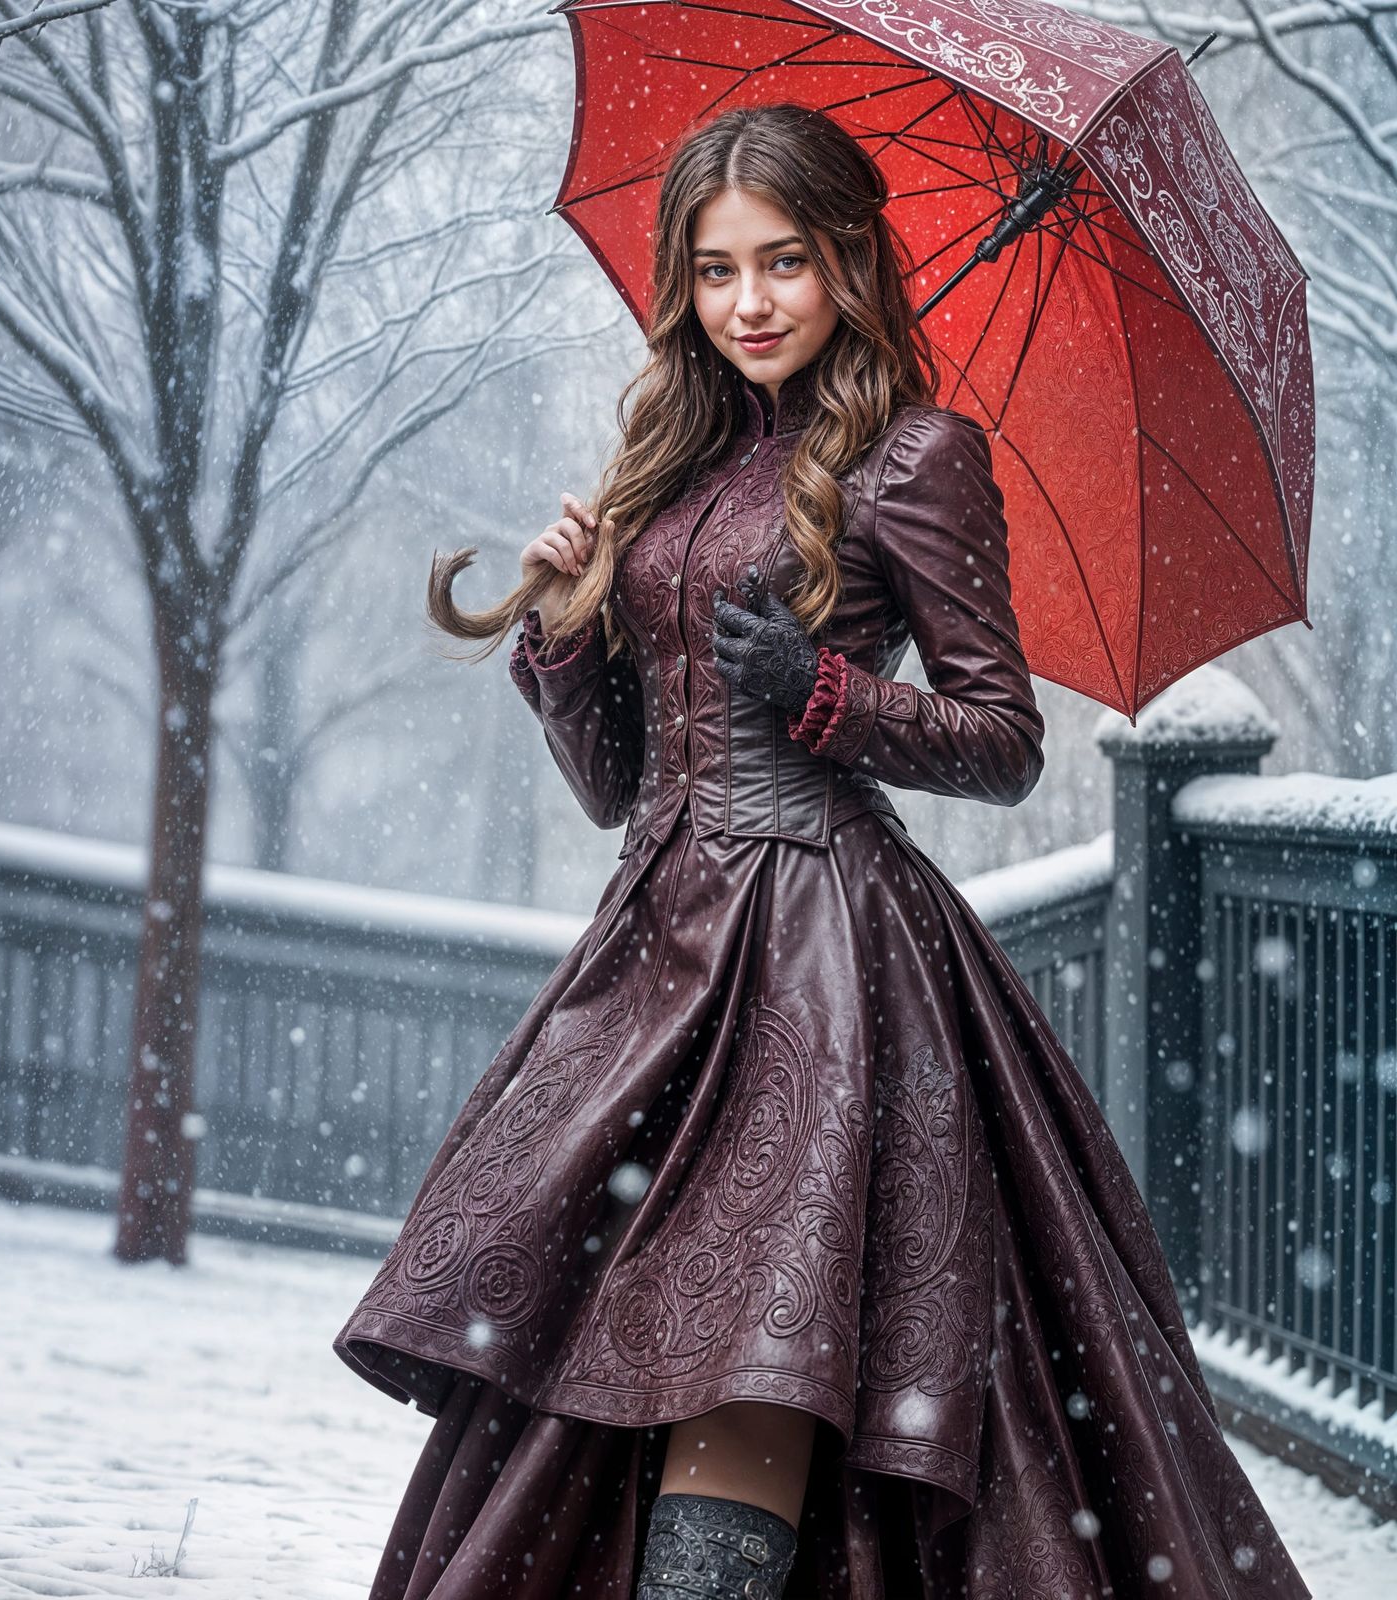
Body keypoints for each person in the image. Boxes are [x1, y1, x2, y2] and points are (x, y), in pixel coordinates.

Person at [334, 103, 1311, 1600]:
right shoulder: (671, 463)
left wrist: (829, 694)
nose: (749, 302)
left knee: (758, 1348)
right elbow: (617, 790)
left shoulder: (918, 458)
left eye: (784, 261)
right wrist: (569, 632)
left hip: (823, 970)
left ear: (850, 258)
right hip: (658, 964)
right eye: (716, 269)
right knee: (613, 1369)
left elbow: (1002, 739)